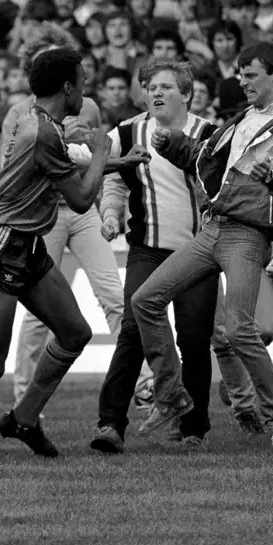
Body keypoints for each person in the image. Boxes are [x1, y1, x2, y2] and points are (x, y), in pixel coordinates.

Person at [0, 47, 149, 460]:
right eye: (83, 82)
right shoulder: (43, 132)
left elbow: (65, 174)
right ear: (68, 87)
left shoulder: (42, 126)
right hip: (0, 243)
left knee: (75, 332)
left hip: (26, 241)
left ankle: (24, 418)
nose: (85, 91)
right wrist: (105, 153)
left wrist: (118, 161)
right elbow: (83, 197)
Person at [135, 41, 273, 458]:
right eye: (240, 73)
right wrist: (174, 146)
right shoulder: (242, 119)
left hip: (245, 235)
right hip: (212, 229)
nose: (241, 80)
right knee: (145, 300)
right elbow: (207, 161)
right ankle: (172, 395)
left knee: (239, 328)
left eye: (250, 74)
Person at [92, 58, 220, 454]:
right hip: (146, 248)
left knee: (194, 338)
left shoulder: (210, 135)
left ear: (187, 93)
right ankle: (110, 424)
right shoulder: (128, 131)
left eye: (166, 87)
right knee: (132, 330)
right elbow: (108, 172)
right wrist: (110, 213)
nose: (157, 93)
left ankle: (193, 425)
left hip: (198, 250)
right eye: (150, 87)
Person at [2, 23, 125, 409]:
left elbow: (98, 154)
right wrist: (62, 143)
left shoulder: (86, 106)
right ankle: (24, 395)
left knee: (115, 297)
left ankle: (143, 387)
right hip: (45, 215)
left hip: (83, 209)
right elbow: (12, 166)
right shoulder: (18, 114)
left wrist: (107, 205)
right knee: (39, 315)